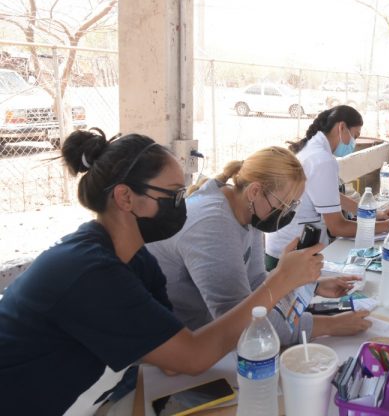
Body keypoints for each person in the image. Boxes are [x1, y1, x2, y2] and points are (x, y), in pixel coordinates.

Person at [0, 129, 323, 415]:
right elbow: (192, 357)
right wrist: (281, 280)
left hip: (98, 392)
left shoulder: (137, 259)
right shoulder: (89, 271)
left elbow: (172, 358)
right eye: (174, 195)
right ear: (125, 197)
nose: (185, 205)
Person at [147, 147, 371, 344]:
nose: (288, 213)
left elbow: (255, 284)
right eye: (285, 204)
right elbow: (242, 324)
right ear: (255, 191)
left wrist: (310, 286)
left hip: (207, 336)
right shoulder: (213, 224)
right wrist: (330, 326)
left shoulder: (246, 210)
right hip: (180, 350)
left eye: (293, 205)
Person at [265, 105, 389, 269]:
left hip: (280, 250)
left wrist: (376, 214)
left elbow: (330, 196)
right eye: (355, 135)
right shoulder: (322, 160)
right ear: (341, 127)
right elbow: (338, 227)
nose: (354, 142)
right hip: (289, 256)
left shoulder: (311, 150)